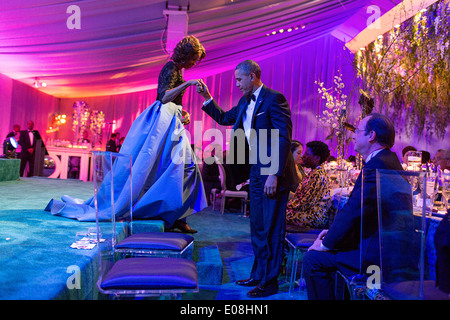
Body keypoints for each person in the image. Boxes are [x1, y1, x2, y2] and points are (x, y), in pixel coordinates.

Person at [45, 35, 208, 233]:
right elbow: (164, 97)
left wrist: (183, 112)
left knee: (182, 168)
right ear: (186, 54)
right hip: (162, 123)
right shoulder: (170, 68)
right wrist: (188, 84)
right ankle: (174, 216)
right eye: (193, 58)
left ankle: (176, 215)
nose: (194, 63)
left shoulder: (177, 70)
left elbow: (173, 102)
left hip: (172, 122)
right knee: (177, 168)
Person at [197, 59, 298, 298]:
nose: (237, 84)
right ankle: (258, 274)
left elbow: (284, 138)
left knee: (272, 228)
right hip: (255, 170)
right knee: (258, 226)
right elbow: (223, 118)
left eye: (239, 79)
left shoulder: (275, 99)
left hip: (273, 172)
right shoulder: (244, 101)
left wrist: (274, 173)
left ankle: (270, 282)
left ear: (252, 76)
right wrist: (207, 96)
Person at [303, 113, 404, 300]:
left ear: (371, 135)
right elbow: (364, 212)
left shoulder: (376, 166)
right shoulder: (389, 160)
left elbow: (354, 211)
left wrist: (326, 244)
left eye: (357, 131)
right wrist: (333, 234)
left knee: (313, 259)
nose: (353, 136)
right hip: (382, 247)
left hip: (373, 255)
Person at [286, 141, 331, 231]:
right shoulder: (315, 172)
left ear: (317, 158)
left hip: (314, 217)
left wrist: (288, 206)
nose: (303, 156)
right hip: (309, 212)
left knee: (278, 214)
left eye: (307, 154)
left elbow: (305, 201)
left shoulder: (318, 175)